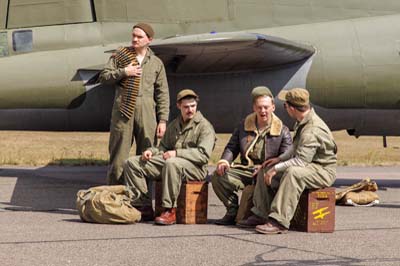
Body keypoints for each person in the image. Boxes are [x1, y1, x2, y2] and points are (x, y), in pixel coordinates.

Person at [123, 89, 216, 225]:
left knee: (171, 163)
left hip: (195, 168)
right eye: (186, 107)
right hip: (173, 165)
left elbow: (203, 156)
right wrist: (151, 152)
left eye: (193, 106)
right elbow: (163, 148)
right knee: (133, 163)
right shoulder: (174, 125)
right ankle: (143, 206)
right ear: (179, 106)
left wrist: (177, 153)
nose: (190, 109)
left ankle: (169, 210)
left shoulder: (204, 127)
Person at [255, 88, 337, 234]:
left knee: (293, 173)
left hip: (323, 170)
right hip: (310, 166)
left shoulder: (312, 129)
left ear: (292, 108)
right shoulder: (303, 121)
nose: (285, 108)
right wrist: (278, 160)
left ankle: (279, 221)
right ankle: (261, 214)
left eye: (285, 105)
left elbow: (301, 161)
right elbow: (295, 146)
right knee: (266, 168)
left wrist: (277, 168)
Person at [99, 23, 169, 185]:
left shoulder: (156, 63)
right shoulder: (120, 56)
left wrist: (163, 120)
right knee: (118, 157)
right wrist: (124, 72)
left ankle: (142, 201)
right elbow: (103, 77)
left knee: (147, 157)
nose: (135, 39)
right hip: (123, 111)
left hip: (147, 114)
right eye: (133, 36)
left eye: (139, 37)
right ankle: (114, 198)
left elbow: (162, 93)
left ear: (149, 40)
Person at [211, 86, 292, 225]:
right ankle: (232, 211)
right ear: (254, 107)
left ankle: (259, 214)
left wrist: (267, 167)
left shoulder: (283, 131)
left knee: (264, 173)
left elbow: (286, 156)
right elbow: (232, 147)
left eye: (266, 107)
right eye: (259, 107)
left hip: (267, 172)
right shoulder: (243, 126)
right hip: (247, 170)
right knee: (218, 176)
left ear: (273, 107)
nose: (263, 111)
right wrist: (224, 161)